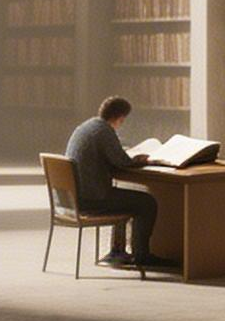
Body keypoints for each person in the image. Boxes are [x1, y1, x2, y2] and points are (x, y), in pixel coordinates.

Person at [64, 96, 172, 269]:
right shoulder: (104, 131)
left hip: (75, 197)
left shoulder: (87, 127)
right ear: (120, 117)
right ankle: (142, 255)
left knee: (124, 197)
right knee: (146, 202)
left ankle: (117, 251)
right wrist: (142, 160)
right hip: (92, 199)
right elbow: (121, 162)